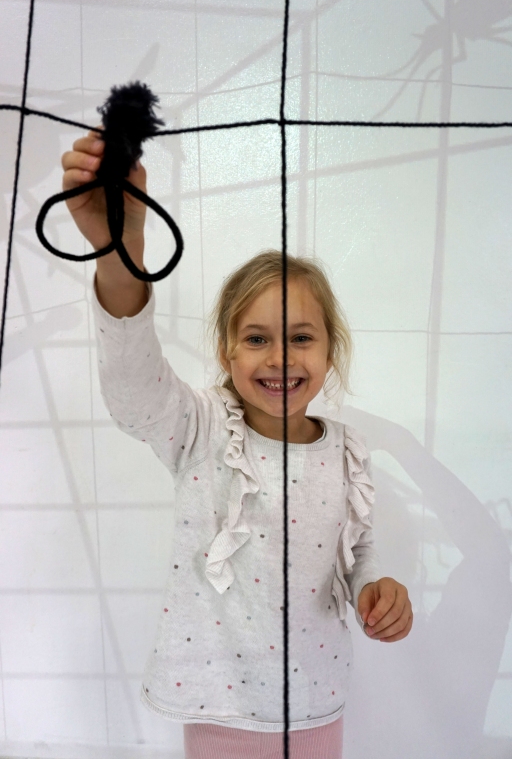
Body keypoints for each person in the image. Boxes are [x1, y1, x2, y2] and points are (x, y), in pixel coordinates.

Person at [61, 130, 413, 759]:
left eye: (300, 337)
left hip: (315, 697)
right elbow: (133, 387)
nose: (280, 357)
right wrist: (120, 251)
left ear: (330, 351)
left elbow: (357, 548)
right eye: (256, 339)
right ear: (226, 352)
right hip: (218, 704)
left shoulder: (346, 449)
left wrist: (376, 586)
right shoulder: (200, 429)